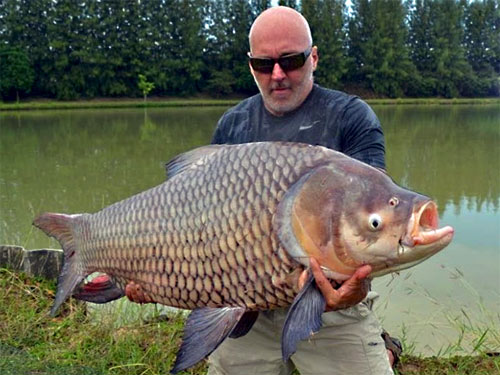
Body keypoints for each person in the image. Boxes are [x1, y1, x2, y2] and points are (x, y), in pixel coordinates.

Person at [126, 6, 401, 374]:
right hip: (244, 305)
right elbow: (202, 229)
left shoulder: (351, 116)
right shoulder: (233, 125)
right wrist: (155, 275)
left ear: (314, 57)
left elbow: (375, 222)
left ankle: (381, 345)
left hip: (330, 302)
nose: (277, 74)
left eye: (291, 60)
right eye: (262, 63)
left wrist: (356, 290)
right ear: (250, 64)